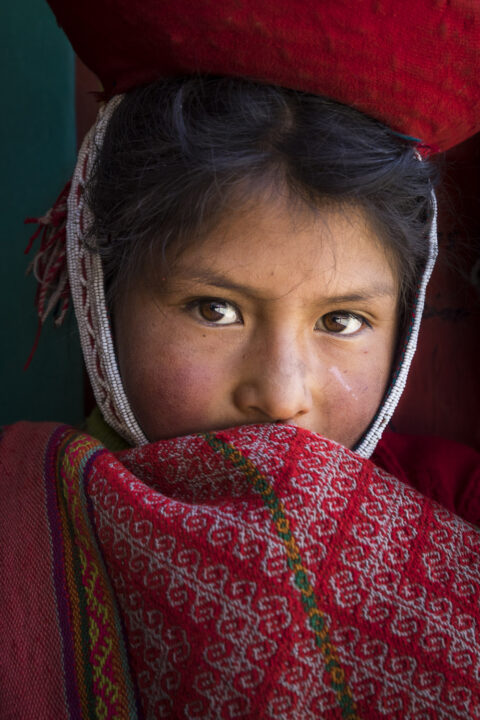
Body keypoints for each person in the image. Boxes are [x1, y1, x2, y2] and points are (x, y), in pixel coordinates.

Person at [2, 2, 480, 719]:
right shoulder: (22, 528)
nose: (282, 395)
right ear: (101, 289)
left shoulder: (461, 509)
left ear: (403, 323)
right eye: (214, 309)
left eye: (343, 320)